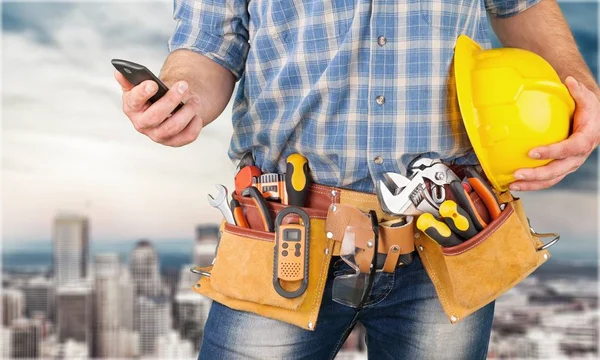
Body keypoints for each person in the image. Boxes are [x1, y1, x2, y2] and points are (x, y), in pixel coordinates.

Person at [115, 0, 600, 358]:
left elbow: (523, 6)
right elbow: (207, 43)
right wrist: (184, 99)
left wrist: (581, 90)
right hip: (285, 237)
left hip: (444, 240)